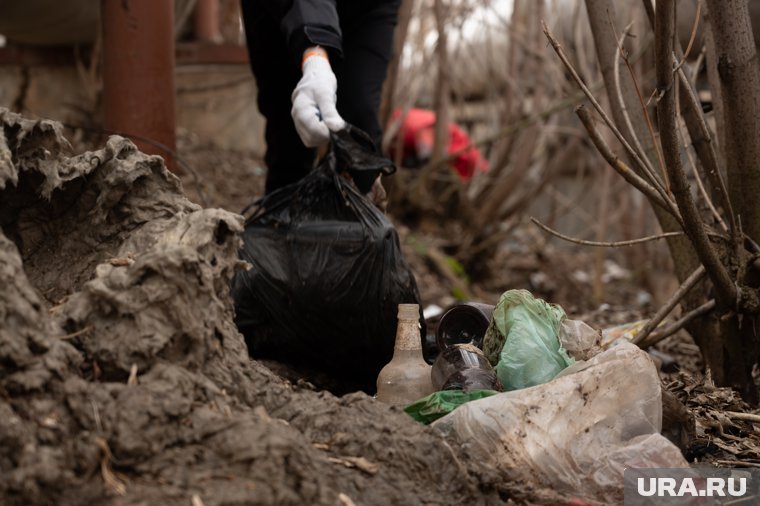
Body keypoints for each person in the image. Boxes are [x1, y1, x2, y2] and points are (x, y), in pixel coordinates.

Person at [240, 1, 402, 194]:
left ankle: (358, 215)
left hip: (367, 10)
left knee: (360, 115)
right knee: (287, 130)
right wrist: (315, 58)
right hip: (278, 12)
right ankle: (283, 213)